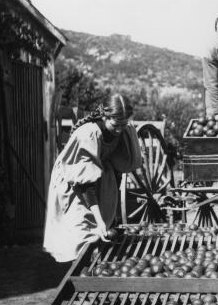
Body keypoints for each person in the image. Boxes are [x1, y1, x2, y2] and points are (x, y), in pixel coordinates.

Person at [43, 94, 143, 263]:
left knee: (101, 227)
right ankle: (79, 270)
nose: (119, 129)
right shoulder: (88, 134)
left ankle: (95, 265)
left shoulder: (123, 132)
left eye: (123, 124)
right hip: (75, 180)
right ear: (104, 117)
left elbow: (119, 169)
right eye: (115, 125)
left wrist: (110, 215)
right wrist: (99, 220)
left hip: (100, 175)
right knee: (82, 229)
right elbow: (84, 186)